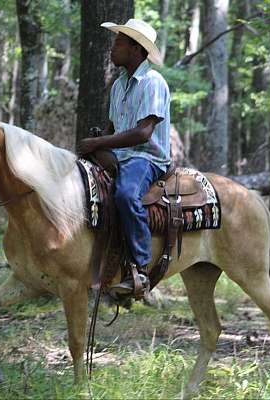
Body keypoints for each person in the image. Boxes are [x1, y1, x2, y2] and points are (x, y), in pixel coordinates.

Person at [76, 19, 171, 298]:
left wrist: (98, 142)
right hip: (121, 154)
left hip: (147, 158)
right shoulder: (119, 85)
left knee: (127, 195)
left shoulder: (153, 82)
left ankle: (140, 269)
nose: (112, 48)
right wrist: (98, 141)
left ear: (135, 49)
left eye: (118, 42)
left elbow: (143, 133)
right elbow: (113, 129)